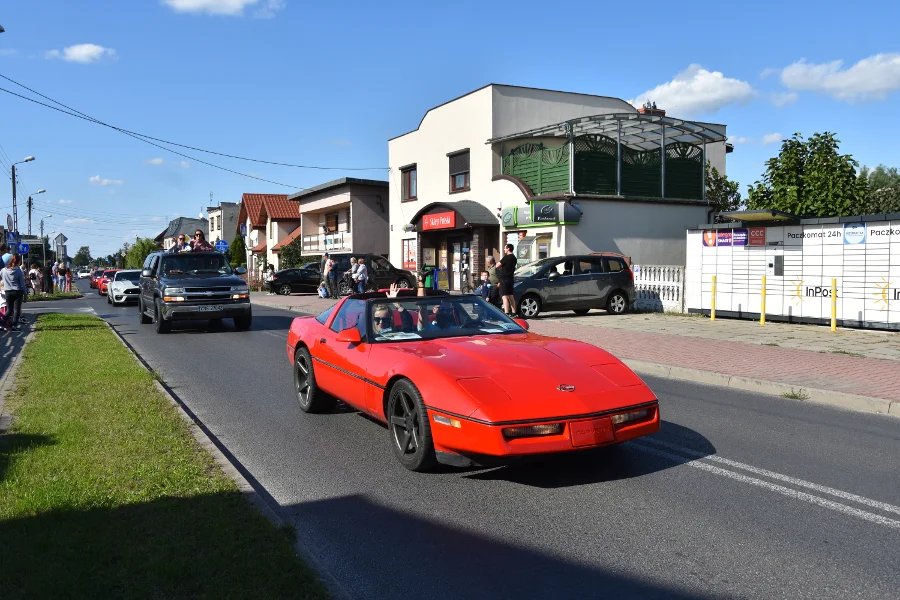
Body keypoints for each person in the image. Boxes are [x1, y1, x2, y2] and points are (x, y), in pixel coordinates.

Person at [1, 254, 27, 330]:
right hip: (17, 291)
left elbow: (1, 278)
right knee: (16, 310)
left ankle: (1, 323)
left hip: (8, 291)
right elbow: (22, 283)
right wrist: (25, 293)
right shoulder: (18, 270)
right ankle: (14, 326)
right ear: (18, 262)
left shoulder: (3, 270)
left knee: (9, 309)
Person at [498, 244, 517, 316]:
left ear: (508, 249)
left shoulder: (506, 257)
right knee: (510, 295)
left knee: (504, 296)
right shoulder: (514, 258)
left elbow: (497, 265)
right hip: (510, 278)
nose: (504, 250)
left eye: (505, 248)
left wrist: (501, 267)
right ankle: (514, 312)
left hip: (504, 279)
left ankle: (507, 313)